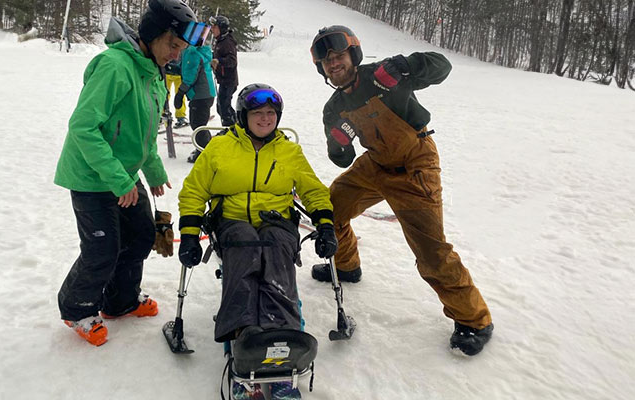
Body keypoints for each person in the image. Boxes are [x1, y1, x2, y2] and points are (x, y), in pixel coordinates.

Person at [309, 25, 494, 356]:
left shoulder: (381, 77)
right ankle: (347, 266)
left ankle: (474, 319)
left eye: (338, 57)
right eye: (327, 62)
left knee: (431, 252)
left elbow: (442, 66)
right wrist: (338, 144)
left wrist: (406, 65)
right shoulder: (333, 108)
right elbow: (342, 158)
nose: (334, 65)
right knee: (329, 208)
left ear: (353, 54)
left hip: (414, 165)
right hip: (375, 164)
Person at [53, 0, 203, 347]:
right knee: (103, 248)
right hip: (92, 176)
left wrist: (152, 170)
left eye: (181, 49)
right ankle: (77, 309)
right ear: (153, 35)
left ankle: (119, 302)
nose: (176, 56)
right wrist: (120, 180)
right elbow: (83, 127)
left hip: (123, 174)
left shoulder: (152, 74)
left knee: (139, 235)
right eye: (173, 45)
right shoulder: (115, 66)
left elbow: (144, 132)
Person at [177, 84, 336, 399]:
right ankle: (244, 338)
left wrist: (326, 225)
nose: (265, 118)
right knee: (246, 247)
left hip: (276, 221)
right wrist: (190, 235)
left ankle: (283, 340)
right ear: (242, 116)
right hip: (232, 221)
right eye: (257, 113)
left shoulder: (289, 151)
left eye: (271, 113)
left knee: (276, 249)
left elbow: (313, 189)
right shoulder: (220, 149)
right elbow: (194, 191)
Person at [174, 40, 216, 163]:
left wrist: (180, 92)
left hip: (201, 95)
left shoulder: (193, 53)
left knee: (197, 124)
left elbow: (190, 76)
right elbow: (186, 69)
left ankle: (203, 152)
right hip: (205, 94)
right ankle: (204, 148)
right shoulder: (197, 52)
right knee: (200, 123)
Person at [209, 15, 238, 127]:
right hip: (224, 80)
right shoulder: (220, 41)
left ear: (221, 28)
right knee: (221, 107)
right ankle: (233, 126)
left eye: (214, 27)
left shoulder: (227, 42)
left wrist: (218, 61)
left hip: (229, 81)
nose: (212, 29)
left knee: (224, 107)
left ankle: (232, 128)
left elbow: (232, 60)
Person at [164, 59, 189, 128]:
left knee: (179, 95)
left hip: (177, 72)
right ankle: (164, 113)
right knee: (165, 94)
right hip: (169, 71)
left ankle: (180, 116)